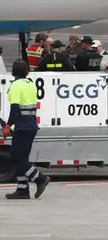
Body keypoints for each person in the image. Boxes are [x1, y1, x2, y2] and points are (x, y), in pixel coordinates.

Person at [3, 59, 50, 199]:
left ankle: (40, 179)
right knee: (22, 158)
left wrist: (7, 126)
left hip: (22, 126)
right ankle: (22, 189)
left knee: (16, 157)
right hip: (31, 125)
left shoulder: (16, 86)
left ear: (13, 71)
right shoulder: (31, 84)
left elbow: (15, 109)